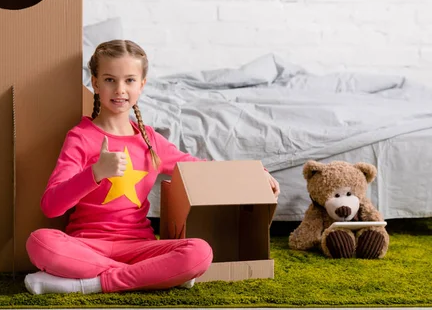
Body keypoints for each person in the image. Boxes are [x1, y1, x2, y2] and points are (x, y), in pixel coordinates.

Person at [24, 39, 281, 295]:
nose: (120, 89)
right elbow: (51, 205)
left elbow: (201, 170)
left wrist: (255, 174)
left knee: (200, 253)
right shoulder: (80, 137)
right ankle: (153, 277)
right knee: (39, 243)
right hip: (87, 246)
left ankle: (90, 284)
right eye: (110, 80)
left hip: (139, 248)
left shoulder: (150, 140)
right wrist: (96, 173)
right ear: (95, 83)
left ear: (142, 85)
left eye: (130, 80)